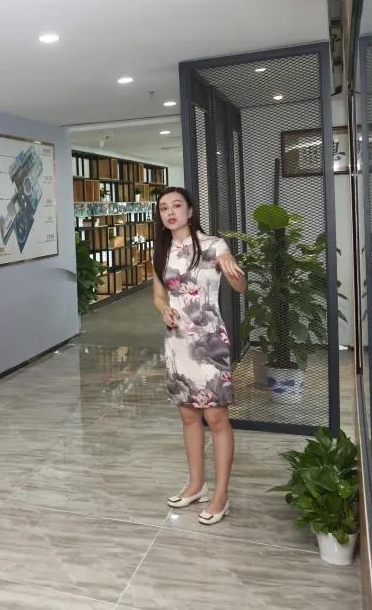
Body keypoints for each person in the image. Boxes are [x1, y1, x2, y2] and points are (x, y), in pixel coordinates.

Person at [152, 186, 246, 525]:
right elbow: (159, 296)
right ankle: (197, 485)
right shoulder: (161, 252)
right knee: (189, 416)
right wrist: (164, 311)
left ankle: (221, 495)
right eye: (164, 208)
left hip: (210, 342)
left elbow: (240, 288)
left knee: (216, 418)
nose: (170, 212)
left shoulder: (214, 245)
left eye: (177, 205)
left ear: (190, 211)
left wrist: (232, 268)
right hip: (177, 343)